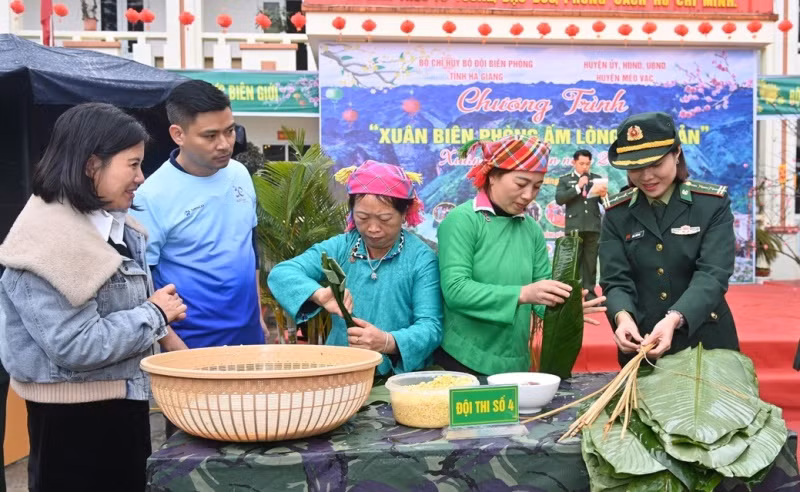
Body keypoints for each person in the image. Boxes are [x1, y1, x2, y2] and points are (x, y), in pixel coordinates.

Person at [0, 103, 187, 492]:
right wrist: (155, 314)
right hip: (73, 423)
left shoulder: (110, 222)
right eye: (132, 165)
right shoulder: (47, 241)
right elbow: (75, 344)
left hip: (121, 404)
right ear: (91, 165)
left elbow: (131, 304)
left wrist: (173, 345)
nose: (140, 177)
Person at [131, 80, 267, 437]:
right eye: (210, 136)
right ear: (178, 134)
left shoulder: (239, 174)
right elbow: (141, 283)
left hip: (249, 339)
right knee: (195, 454)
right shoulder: (151, 196)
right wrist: (173, 347)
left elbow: (248, 244)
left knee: (256, 441)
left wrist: (259, 314)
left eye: (229, 131)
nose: (225, 144)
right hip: (191, 347)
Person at [435, 136, 607, 377]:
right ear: (492, 176)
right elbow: (456, 290)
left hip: (516, 359)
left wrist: (565, 308)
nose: (528, 195)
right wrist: (523, 293)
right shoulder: (462, 221)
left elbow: (541, 292)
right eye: (521, 183)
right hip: (463, 357)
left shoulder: (531, 228)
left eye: (536, 186)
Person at [268, 160, 442, 375]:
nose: (373, 228)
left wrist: (387, 341)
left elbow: (431, 327)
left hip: (395, 379)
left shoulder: (421, 259)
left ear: (405, 213)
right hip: (339, 370)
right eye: (362, 217)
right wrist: (319, 295)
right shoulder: (342, 247)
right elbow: (282, 273)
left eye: (385, 218)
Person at [599, 111, 738, 366]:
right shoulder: (617, 213)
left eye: (656, 164)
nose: (646, 176)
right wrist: (622, 317)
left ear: (677, 154)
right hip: (643, 344)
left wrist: (674, 318)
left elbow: (713, 274)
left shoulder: (711, 205)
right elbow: (615, 280)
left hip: (706, 343)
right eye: (636, 167)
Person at [555, 149, 606, 301]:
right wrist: (577, 187)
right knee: (573, 263)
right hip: (574, 227)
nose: (585, 167)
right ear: (574, 162)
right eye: (581, 163)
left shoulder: (596, 179)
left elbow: (605, 203)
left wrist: (604, 195)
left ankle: (590, 295)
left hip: (593, 226)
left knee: (591, 263)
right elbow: (559, 199)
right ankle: (573, 296)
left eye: (587, 164)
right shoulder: (565, 180)